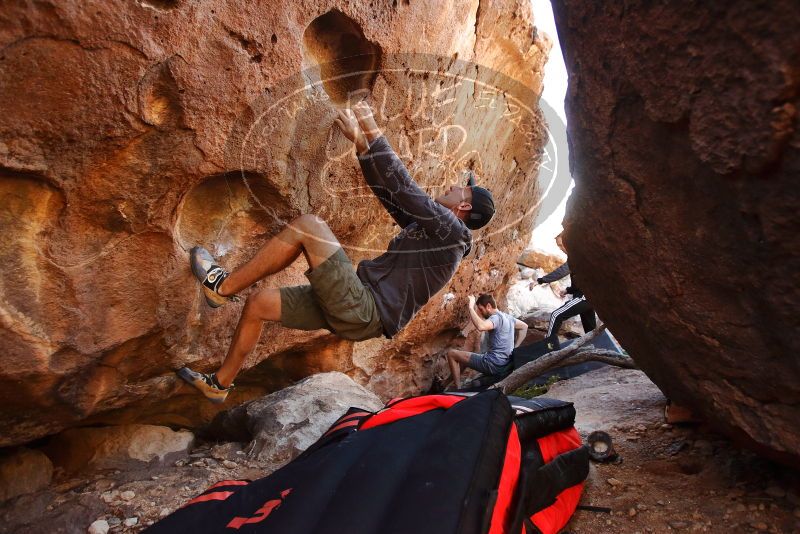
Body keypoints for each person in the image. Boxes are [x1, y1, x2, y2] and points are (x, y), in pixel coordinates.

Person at [178, 101, 496, 402]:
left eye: (460, 188)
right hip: (357, 307)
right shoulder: (434, 233)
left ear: (464, 205)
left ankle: (222, 287)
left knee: (309, 226)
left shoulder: (452, 234)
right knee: (259, 304)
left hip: (365, 308)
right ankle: (220, 385)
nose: (452, 186)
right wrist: (361, 145)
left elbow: (406, 188)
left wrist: (372, 129)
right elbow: (390, 195)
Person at [445, 293, 528, 389]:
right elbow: (524, 327)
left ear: (488, 306)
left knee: (452, 354)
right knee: (464, 357)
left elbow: (481, 326)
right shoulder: (508, 317)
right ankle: (444, 384)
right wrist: (515, 348)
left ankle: (457, 389)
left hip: (492, 364)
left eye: (481, 309)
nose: (480, 313)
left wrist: (471, 308)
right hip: (504, 364)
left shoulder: (495, 318)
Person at [532, 233, 596, 350]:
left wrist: (541, 280)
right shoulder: (579, 256)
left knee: (556, 315)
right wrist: (568, 290)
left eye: (561, 245)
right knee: (590, 331)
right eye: (558, 246)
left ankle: (549, 349)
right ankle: (598, 352)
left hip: (584, 297)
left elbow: (562, 271)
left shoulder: (577, 256)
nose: (561, 249)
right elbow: (582, 280)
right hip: (588, 298)